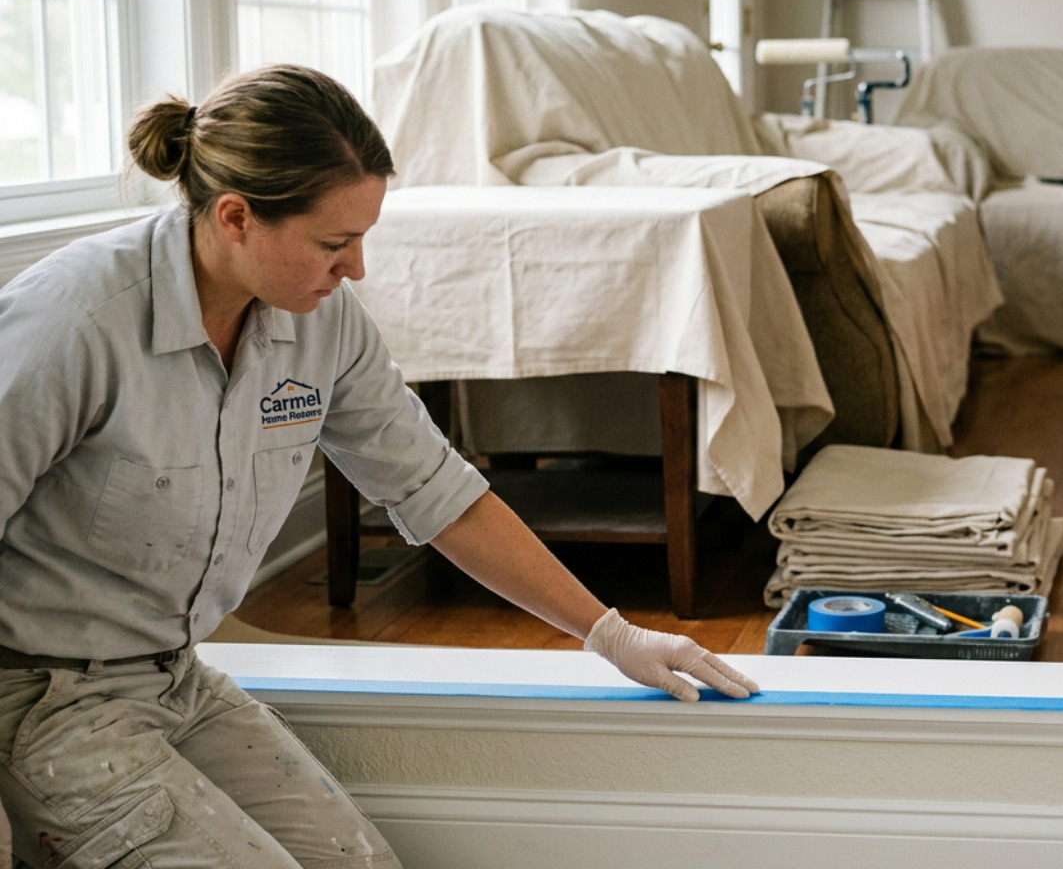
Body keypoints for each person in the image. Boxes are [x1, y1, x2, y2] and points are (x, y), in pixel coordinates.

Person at [0, 64, 759, 867]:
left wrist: (611, 634)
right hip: (38, 701)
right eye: (335, 243)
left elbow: (437, 492)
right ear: (235, 218)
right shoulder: (73, 324)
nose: (356, 267)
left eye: (364, 238)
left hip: (175, 677)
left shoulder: (321, 324)